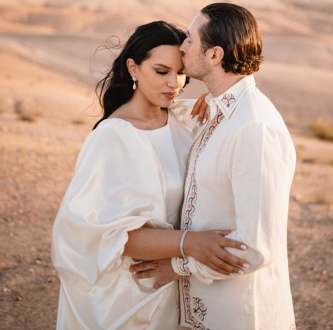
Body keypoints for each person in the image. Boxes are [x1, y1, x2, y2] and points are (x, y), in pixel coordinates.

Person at [51, 20, 247, 330]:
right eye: (161, 71)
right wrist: (191, 244)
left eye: (181, 73)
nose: (174, 84)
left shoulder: (184, 121)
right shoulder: (113, 138)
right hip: (132, 294)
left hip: (179, 283)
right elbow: (113, 237)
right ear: (133, 67)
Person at [132, 4, 296, 330]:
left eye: (190, 40)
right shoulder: (217, 111)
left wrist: (177, 266)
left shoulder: (254, 127)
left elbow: (256, 247)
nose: (182, 47)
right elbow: (173, 116)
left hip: (242, 316)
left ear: (214, 55)